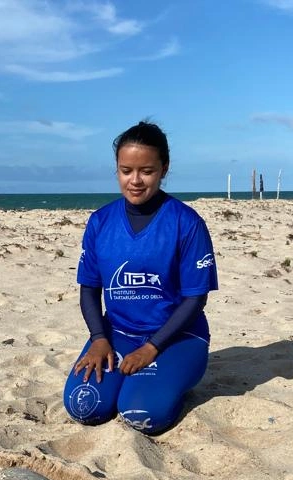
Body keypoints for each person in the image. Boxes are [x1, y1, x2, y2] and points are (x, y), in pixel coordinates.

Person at [63, 121, 218, 435]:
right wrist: (99, 338)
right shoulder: (101, 221)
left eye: (146, 171)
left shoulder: (186, 222)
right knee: (85, 406)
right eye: (126, 171)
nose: (134, 180)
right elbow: (89, 289)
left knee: (141, 414)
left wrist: (152, 348)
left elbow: (195, 299)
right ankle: (128, 382)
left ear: (164, 169)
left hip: (177, 337)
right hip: (118, 332)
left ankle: (166, 380)